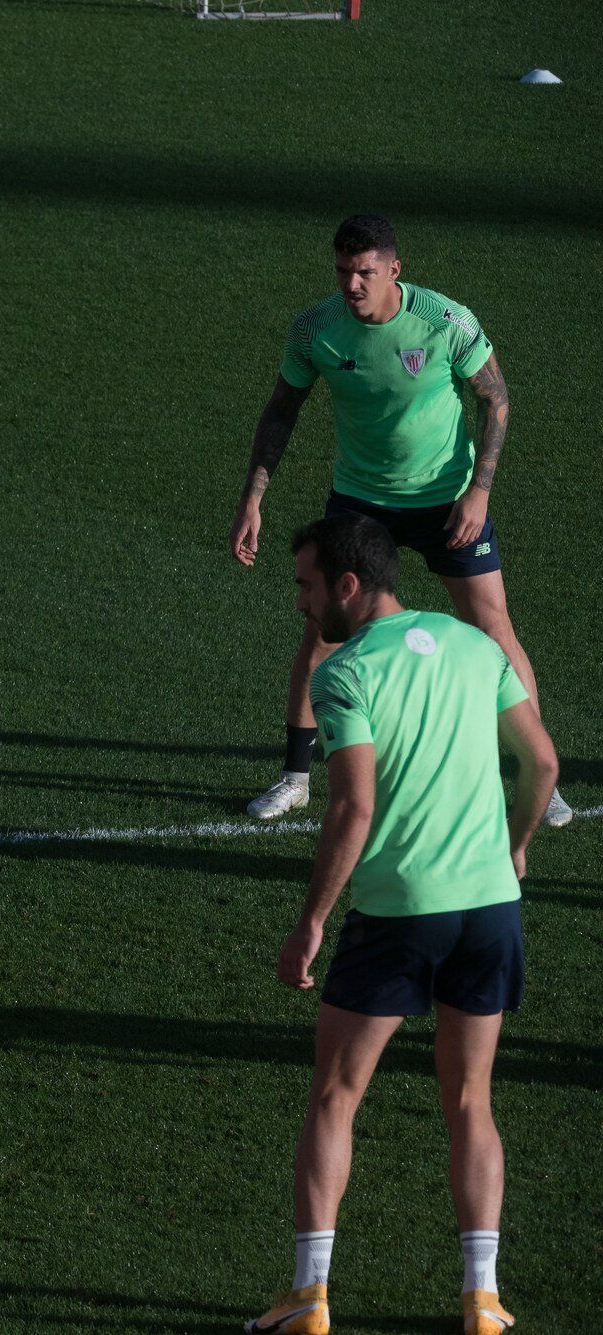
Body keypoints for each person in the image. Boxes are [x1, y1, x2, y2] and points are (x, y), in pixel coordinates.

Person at [245, 515, 556, 1335]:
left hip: (397, 916)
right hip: (491, 909)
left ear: (348, 585)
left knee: (335, 1097)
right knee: (471, 1100)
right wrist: (515, 846)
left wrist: (310, 921)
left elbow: (352, 805)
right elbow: (544, 763)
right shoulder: (474, 644)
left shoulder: (343, 674)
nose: (304, 607)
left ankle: (310, 1297)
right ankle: (483, 1300)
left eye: (309, 588)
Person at [228, 214, 570, 828]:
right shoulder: (316, 331)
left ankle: (536, 775)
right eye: (342, 271)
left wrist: (479, 492)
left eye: (363, 272)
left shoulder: (443, 321)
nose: (351, 285)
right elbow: (281, 409)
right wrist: (254, 496)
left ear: (393, 269)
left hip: (446, 498)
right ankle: (295, 778)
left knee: (492, 628)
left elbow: (495, 399)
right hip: (360, 501)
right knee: (322, 633)